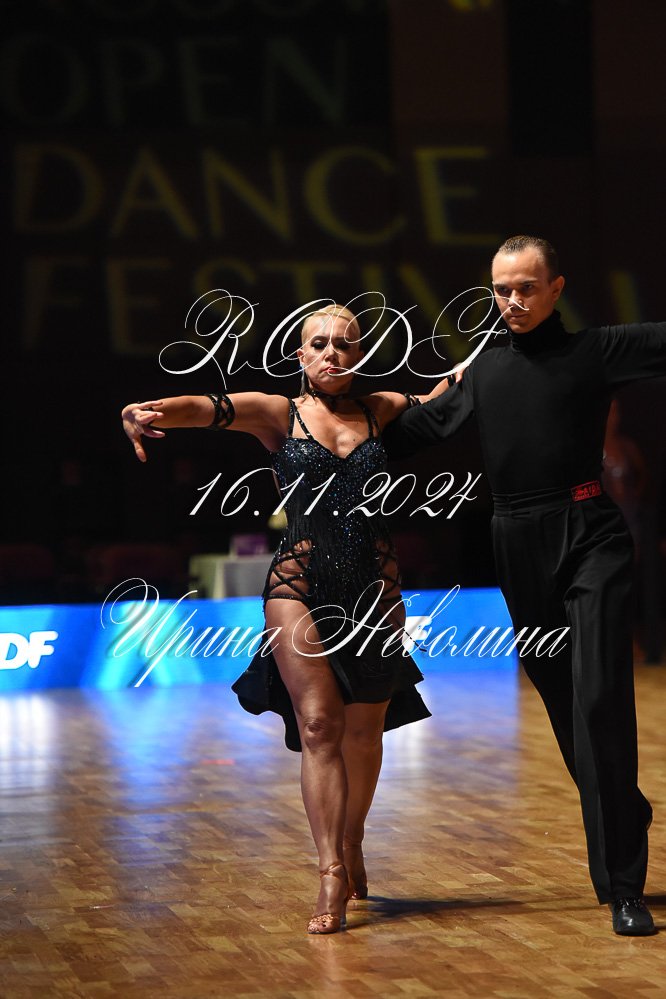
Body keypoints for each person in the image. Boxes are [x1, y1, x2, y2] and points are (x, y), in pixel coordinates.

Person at [121, 304, 458, 935]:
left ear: (360, 353)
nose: (332, 353)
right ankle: (330, 869)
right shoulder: (280, 412)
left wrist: (493, 357)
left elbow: (447, 395)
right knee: (320, 724)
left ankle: (352, 839)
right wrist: (148, 411)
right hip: (298, 583)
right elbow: (205, 407)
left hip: (375, 589)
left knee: (365, 735)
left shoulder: (382, 409)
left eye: (345, 344)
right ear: (299, 354)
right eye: (319, 344)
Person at [382, 236, 666, 937]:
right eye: (502, 289)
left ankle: (623, 886)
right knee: (563, 700)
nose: (512, 300)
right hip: (516, 541)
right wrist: (322, 435)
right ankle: (622, 810)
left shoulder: (595, 350)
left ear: (556, 288)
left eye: (526, 287)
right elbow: (416, 429)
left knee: (600, 695)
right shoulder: (482, 368)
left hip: (591, 532)